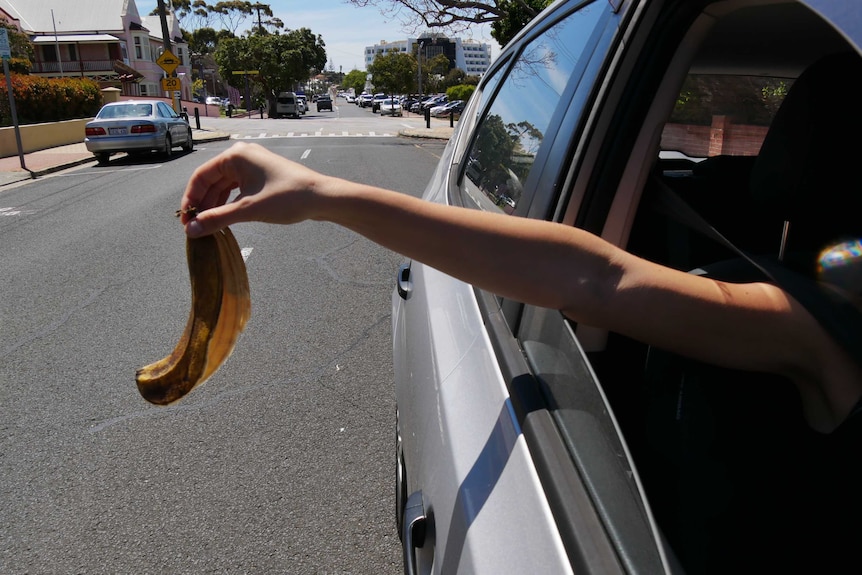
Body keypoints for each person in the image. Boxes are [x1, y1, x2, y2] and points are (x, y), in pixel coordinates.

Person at [179, 141, 862, 435]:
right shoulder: (825, 313)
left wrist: (327, 196)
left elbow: (598, 277)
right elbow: (593, 277)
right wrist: (325, 195)